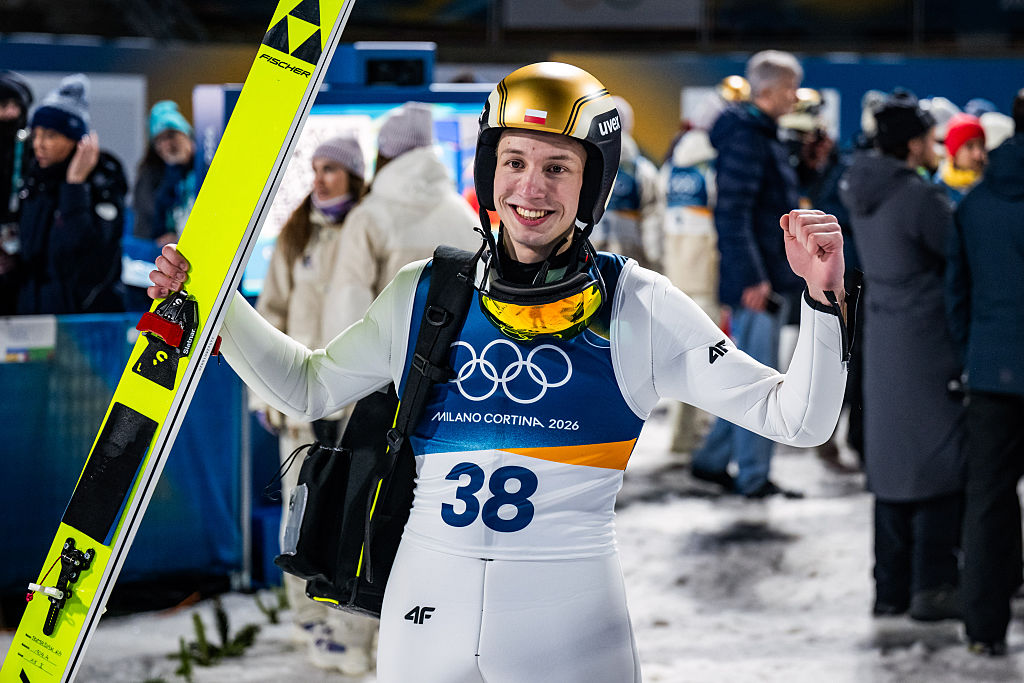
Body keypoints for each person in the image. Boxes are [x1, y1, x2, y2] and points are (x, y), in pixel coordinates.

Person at [149, 62, 852, 682]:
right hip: (422, 615)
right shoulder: (427, 290)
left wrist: (824, 299)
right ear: (489, 172)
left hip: (570, 624)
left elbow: (798, 418)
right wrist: (213, 306)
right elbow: (306, 386)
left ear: (592, 185)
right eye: (514, 161)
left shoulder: (639, 305)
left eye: (557, 167)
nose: (531, 188)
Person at [252, 134, 378, 674]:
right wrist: (265, 391)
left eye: (333, 169)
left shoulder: (370, 230)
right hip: (301, 407)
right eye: (317, 168)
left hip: (354, 409)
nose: (322, 178)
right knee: (299, 518)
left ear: (354, 175)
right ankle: (307, 620)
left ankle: (350, 623)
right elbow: (269, 315)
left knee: (353, 520)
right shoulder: (296, 234)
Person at [839, 89, 965, 622]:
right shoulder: (917, 198)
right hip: (928, 340)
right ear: (914, 146)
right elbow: (958, 251)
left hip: (883, 337)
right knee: (939, 460)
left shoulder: (858, 189)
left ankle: (888, 587)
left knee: (891, 466)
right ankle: (933, 585)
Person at [689, 50, 806, 498]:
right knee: (761, 385)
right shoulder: (748, 137)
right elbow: (732, 213)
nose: (796, 97)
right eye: (792, 88)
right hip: (760, 285)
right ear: (770, 90)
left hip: (762, 279)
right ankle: (753, 477)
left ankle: (712, 460)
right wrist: (753, 278)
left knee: (747, 382)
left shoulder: (758, 133)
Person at [947, 89, 1024, 657]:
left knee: (990, 499)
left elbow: (958, 296)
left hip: (993, 373)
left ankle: (983, 629)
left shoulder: (974, 203)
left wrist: (972, 357)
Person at [326, 101, 480, 332]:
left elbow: (348, 305)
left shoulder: (368, 217)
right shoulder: (465, 216)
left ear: (384, 154)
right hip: (457, 357)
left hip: (389, 359)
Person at [658, 77, 744, 457]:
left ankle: (683, 436)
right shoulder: (714, 168)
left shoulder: (671, 167)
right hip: (707, 274)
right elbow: (724, 225)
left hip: (677, 273)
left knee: (684, 358)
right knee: (708, 359)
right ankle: (687, 440)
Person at [15, 73, 126, 314]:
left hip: (82, 320)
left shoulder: (102, 180)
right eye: (37, 134)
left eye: (51, 135)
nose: (39, 144)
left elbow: (82, 252)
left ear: (78, 140)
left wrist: (75, 185)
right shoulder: (35, 180)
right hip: (32, 317)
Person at [124, 100, 198, 310]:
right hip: (169, 275)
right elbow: (148, 234)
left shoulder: (209, 170)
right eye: (159, 141)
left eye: (171, 135)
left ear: (187, 134)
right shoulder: (151, 180)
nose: (167, 145)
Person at [588, 95, 662, 271]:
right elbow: (653, 217)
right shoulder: (643, 170)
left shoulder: (585, 166)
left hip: (588, 253)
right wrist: (654, 259)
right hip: (631, 259)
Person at [0, 70, 33, 314]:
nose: (10, 113)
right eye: (3, 105)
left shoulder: (34, 150)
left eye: (16, 105)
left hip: (25, 262)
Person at [935, 112, 987, 205]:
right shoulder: (936, 189)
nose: (978, 154)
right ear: (954, 152)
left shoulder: (991, 184)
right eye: (969, 146)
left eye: (981, 145)